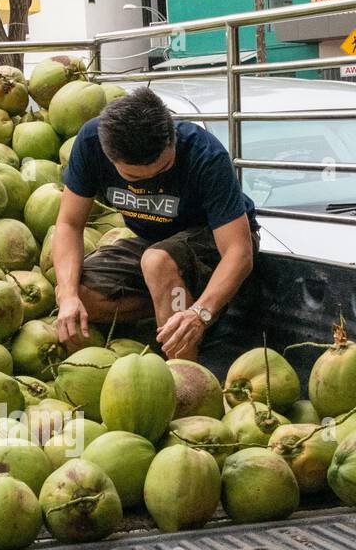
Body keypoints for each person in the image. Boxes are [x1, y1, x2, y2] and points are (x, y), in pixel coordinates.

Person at [53, 87, 259, 362]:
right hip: (155, 242)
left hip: (215, 241)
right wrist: (67, 297)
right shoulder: (91, 142)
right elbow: (69, 223)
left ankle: (184, 380)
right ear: (108, 155)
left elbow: (239, 253)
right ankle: (173, 303)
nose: (149, 181)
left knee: (158, 262)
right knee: (77, 294)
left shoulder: (204, 154)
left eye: (163, 169)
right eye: (133, 177)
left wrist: (201, 314)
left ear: (172, 138)